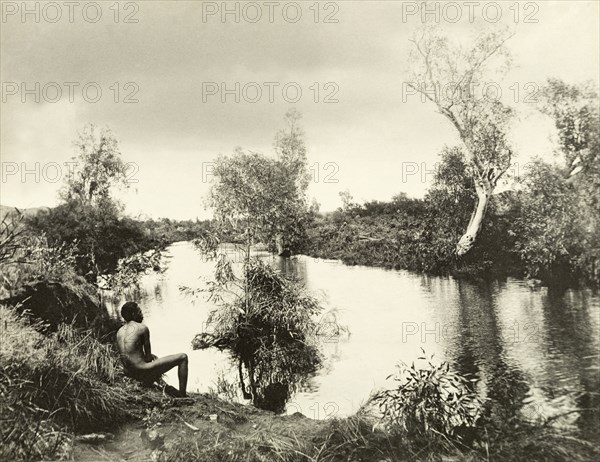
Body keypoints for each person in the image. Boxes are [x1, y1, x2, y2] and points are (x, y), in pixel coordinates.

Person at [116, 301, 188, 397]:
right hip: (141, 371)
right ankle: (182, 395)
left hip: (129, 372)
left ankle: (152, 382)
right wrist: (151, 359)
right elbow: (148, 357)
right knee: (183, 357)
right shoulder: (142, 328)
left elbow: (129, 353)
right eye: (139, 312)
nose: (142, 315)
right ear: (133, 314)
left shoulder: (119, 332)